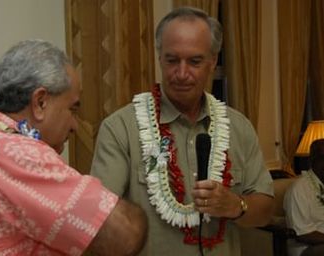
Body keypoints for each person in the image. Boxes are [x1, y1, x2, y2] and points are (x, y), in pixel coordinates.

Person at [90, 6, 274, 256]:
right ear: (159, 58)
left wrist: (236, 205)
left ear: (212, 61)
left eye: (195, 61)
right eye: (172, 60)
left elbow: (264, 211)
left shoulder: (238, 127)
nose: (182, 73)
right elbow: (100, 218)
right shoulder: (121, 128)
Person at [0, 39, 147, 256]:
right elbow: (124, 234)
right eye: (72, 109)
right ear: (40, 103)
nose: (75, 125)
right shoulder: (13, 154)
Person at [284, 138, 324, 256]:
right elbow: (303, 234)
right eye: (323, 158)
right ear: (312, 160)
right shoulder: (299, 189)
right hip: (307, 248)